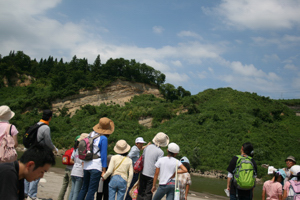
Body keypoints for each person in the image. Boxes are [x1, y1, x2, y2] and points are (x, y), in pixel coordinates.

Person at [77, 117, 114, 200]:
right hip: (96, 166)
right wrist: (104, 170)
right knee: (92, 190)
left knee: (84, 188)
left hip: (86, 164)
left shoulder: (91, 134)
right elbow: (104, 155)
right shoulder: (103, 138)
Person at [24, 109, 58, 200]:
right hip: (39, 152)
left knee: (29, 170)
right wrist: (54, 148)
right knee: (38, 172)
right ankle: (32, 195)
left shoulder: (37, 124)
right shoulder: (46, 127)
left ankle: (25, 192)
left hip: (31, 150)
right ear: (50, 118)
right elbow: (48, 141)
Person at [137, 132, 169, 200]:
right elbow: (158, 165)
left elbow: (143, 157)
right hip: (151, 175)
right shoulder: (160, 152)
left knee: (141, 192)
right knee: (148, 193)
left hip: (143, 172)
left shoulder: (148, 147)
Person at [68, 135, 85, 200]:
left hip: (73, 172)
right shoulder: (83, 151)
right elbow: (83, 163)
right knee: (76, 192)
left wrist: (76, 163)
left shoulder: (75, 150)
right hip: (79, 173)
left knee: (72, 191)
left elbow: (71, 160)